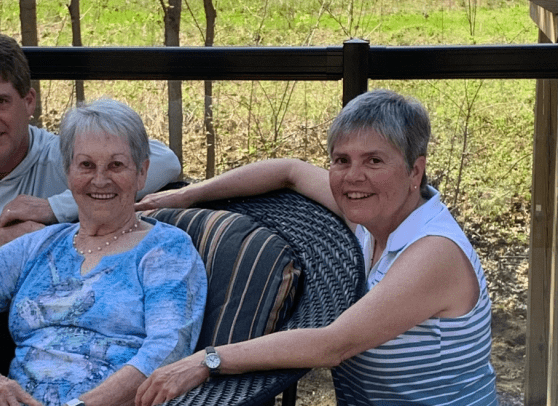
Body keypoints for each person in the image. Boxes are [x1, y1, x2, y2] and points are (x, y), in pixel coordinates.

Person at [133, 89, 497, 405]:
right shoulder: (372, 215)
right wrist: (186, 195)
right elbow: (289, 171)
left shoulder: (434, 251)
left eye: (374, 160)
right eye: (342, 160)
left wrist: (205, 360)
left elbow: (331, 345)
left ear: (415, 171)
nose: (353, 176)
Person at [0, 97, 207, 406]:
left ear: (141, 173)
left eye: (116, 165)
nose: (100, 179)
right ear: (68, 173)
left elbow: (167, 351)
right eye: (86, 165)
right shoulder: (40, 244)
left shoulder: (165, 250)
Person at [0, 32, 181, 296]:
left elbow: (164, 161)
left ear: (29, 102)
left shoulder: (66, 157)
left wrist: (54, 208)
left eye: (0, 101)